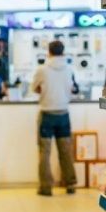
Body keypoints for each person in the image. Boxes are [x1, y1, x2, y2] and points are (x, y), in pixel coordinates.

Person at [31, 40, 78, 196]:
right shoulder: (69, 69)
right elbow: (71, 89)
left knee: (44, 152)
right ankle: (70, 184)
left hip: (47, 114)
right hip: (63, 114)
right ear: (63, 52)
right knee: (65, 151)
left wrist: (45, 91)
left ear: (49, 52)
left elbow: (34, 88)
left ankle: (46, 187)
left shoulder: (42, 70)